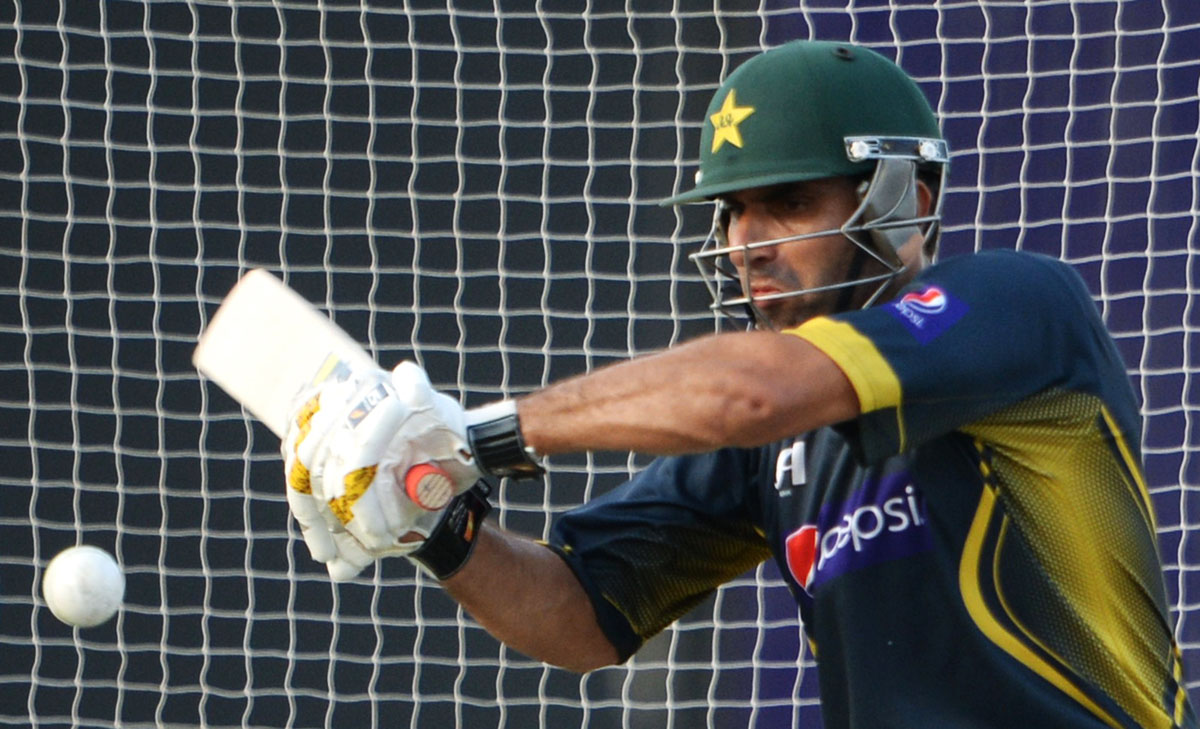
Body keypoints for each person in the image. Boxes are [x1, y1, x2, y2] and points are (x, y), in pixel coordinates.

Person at [281, 40, 1197, 728]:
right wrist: (438, 521)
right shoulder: (776, 442)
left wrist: (479, 433)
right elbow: (585, 614)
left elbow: (751, 392)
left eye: (790, 202)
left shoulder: (1024, 308)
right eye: (733, 212)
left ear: (902, 200)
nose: (748, 242)